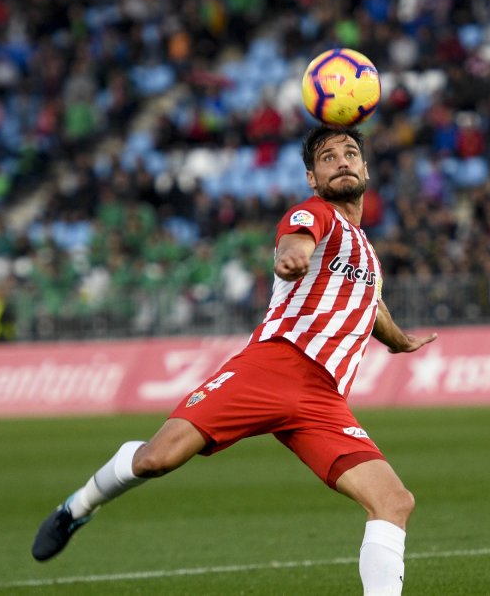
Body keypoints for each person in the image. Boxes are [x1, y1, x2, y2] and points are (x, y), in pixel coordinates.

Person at [31, 124, 438, 595]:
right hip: (270, 368)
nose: (343, 161)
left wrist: (397, 339)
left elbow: (370, 304)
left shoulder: (367, 254)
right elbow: (296, 242)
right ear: (312, 177)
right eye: (329, 157)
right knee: (155, 460)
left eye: (351, 153)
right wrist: (290, 258)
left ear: (366, 168)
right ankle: (77, 507)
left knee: (394, 501)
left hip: (324, 400)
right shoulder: (313, 215)